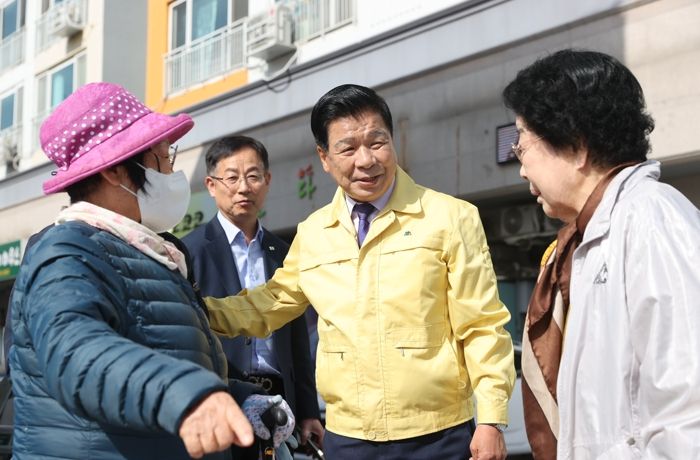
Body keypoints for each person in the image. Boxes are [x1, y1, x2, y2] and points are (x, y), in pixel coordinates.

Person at [205, 84, 516, 460]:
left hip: (438, 435)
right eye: (348, 148)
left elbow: (482, 325)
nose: (366, 160)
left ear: (392, 141)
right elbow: (269, 303)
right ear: (324, 158)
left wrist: (491, 419)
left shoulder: (450, 218)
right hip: (348, 438)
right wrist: (197, 310)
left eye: (377, 142)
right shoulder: (314, 232)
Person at [8, 82, 294, 459]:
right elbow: (77, 356)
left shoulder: (152, 252)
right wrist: (191, 394)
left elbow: (175, 356)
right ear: (114, 171)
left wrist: (238, 396)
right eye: (163, 158)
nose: (172, 172)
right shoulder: (67, 252)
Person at [503, 49, 700, 459]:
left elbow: (689, 407)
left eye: (523, 145)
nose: (521, 168)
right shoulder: (588, 238)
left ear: (576, 146)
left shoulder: (651, 218)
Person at [182, 135, 324, 457]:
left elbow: (297, 339)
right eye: (232, 178)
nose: (244, 188)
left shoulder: (284, 252)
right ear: (211, 185)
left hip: (281, 402)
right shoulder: (190, 252)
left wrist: (307, 411)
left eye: (253, 176)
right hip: (222, 396)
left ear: (267, 181)